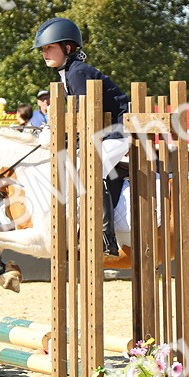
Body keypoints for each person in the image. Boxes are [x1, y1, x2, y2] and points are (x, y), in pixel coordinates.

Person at [33, 16, 130, 256]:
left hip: (118, 132)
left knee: (91, 171)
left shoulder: (77, 73)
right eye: (43, 49)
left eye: (49, 47)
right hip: (103, 133)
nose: (44, 53)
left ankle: (107, 238)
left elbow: (85, 115)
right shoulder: (68, 73)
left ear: (67, 48)